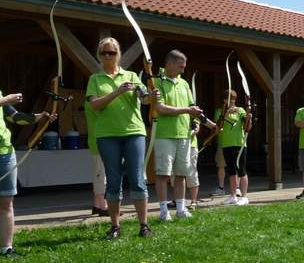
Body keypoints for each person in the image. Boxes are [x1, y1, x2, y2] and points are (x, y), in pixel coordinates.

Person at [86, 37, 157, 239]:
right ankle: (115, 226)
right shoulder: (95, 79)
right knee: (113, 179)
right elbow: (95, 105)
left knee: (137, 178)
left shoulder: (132, 76)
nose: (108, 56)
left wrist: (152, 96)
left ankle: (144, 225)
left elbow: (144, 98)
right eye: (104, 53)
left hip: (133, 132)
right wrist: (117, 92)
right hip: (107, 134)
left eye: (112, 52)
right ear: (99, 56)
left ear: (119, 54)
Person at [152, 50, 214, 220]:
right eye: (180, 66)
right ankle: (164, 211)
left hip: (184, 136)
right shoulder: (157, 81)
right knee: (163, 174)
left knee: (181, 174)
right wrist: (187, 110)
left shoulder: (184, 84)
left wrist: (208, 124)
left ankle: (180, 209)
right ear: (170, 63)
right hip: (164, 135)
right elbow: (160, 108)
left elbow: (193, 108)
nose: (182, 70)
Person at [0, 92, 56, 257]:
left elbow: (15, 117)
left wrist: (40, 117)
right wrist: (5, 100)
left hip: (5, 153)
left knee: (6, 203)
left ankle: (6, 248)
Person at [215, 89, 250, 205]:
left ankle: (244, 197)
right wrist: (225, 114)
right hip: (226, 144)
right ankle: (233, 196)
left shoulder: (240, 110)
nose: (232, 102)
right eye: (229, 99)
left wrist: (248, 117)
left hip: (239, 144)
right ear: (224, 100)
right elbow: (218, 126)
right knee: (231, 171)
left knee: (242, 170)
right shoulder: (220, 112)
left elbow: (247, 126)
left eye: (233, 99)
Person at [85, 100, 108, 216]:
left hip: (96, 140)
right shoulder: (93, 102)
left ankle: (97, 205)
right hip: (99, 140)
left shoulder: (90, 100)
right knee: (101, 175)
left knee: (98, 174)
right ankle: (103, 206)